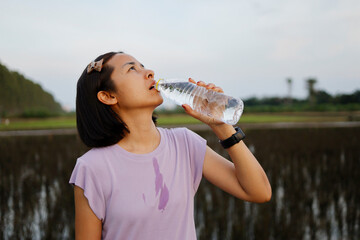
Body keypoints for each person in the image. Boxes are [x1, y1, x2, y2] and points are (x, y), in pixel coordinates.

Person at [69, 51, 271, 240]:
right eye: (132, 69)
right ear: (108, 96)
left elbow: (259, 191)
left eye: (143, 66)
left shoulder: (183, 143)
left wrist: (222, 127)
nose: (149, 72)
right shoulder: (92, 167)